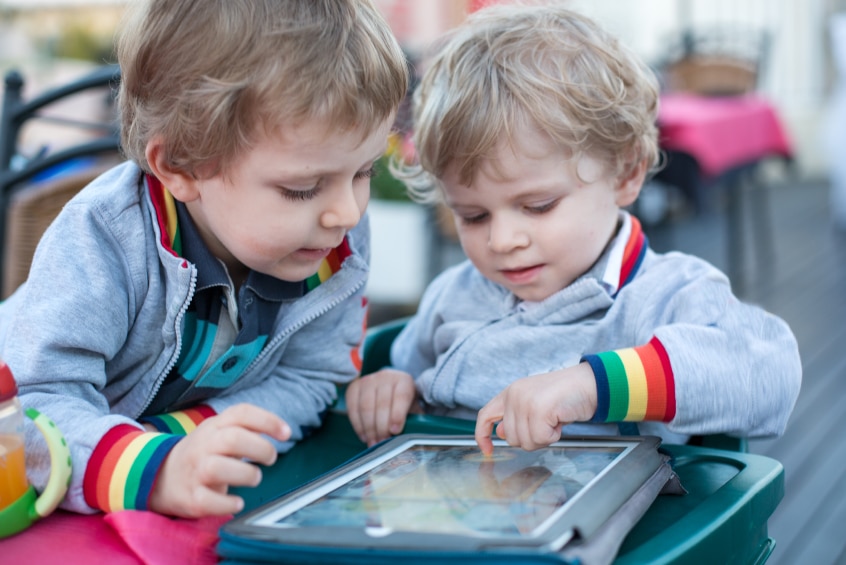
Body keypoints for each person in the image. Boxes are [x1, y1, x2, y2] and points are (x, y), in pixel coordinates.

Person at [0, 0, 408, 517]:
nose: (346, 212)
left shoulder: (331, 242)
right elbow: (34, 411)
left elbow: (313, 377)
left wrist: (196, 436)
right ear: (181, 167)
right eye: (302, 189)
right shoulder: (101, 238)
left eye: (364, 171)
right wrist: (158, 467)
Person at [345, 4, 801, 456]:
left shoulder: (665, 296)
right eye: (473, 216)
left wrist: (593, 386)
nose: (502, 241)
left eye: (538, 206)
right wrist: (394, 389)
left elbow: (769, 373)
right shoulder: (453, 297)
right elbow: (412, 377)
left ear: (625, 174)